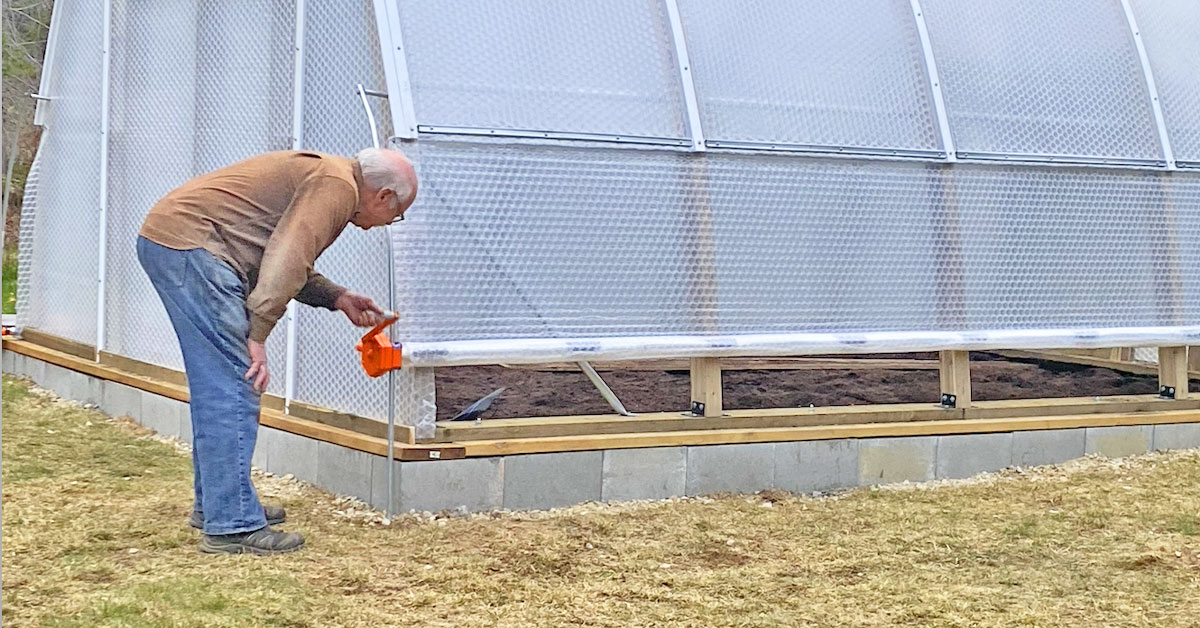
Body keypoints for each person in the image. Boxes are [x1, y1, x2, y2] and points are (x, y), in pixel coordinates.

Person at [136, 148, 417, 555]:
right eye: (397, 214)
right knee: (235, 383)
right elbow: (288, 257)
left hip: (180, 243)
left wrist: (337, 297)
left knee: (220, 384)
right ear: (384, 196)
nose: (388, 223)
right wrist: (258, 334)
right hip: (196, 250)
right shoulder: (337, 185)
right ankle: (231, 524)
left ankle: (219, 504)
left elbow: (279, 251)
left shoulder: (331, 176)